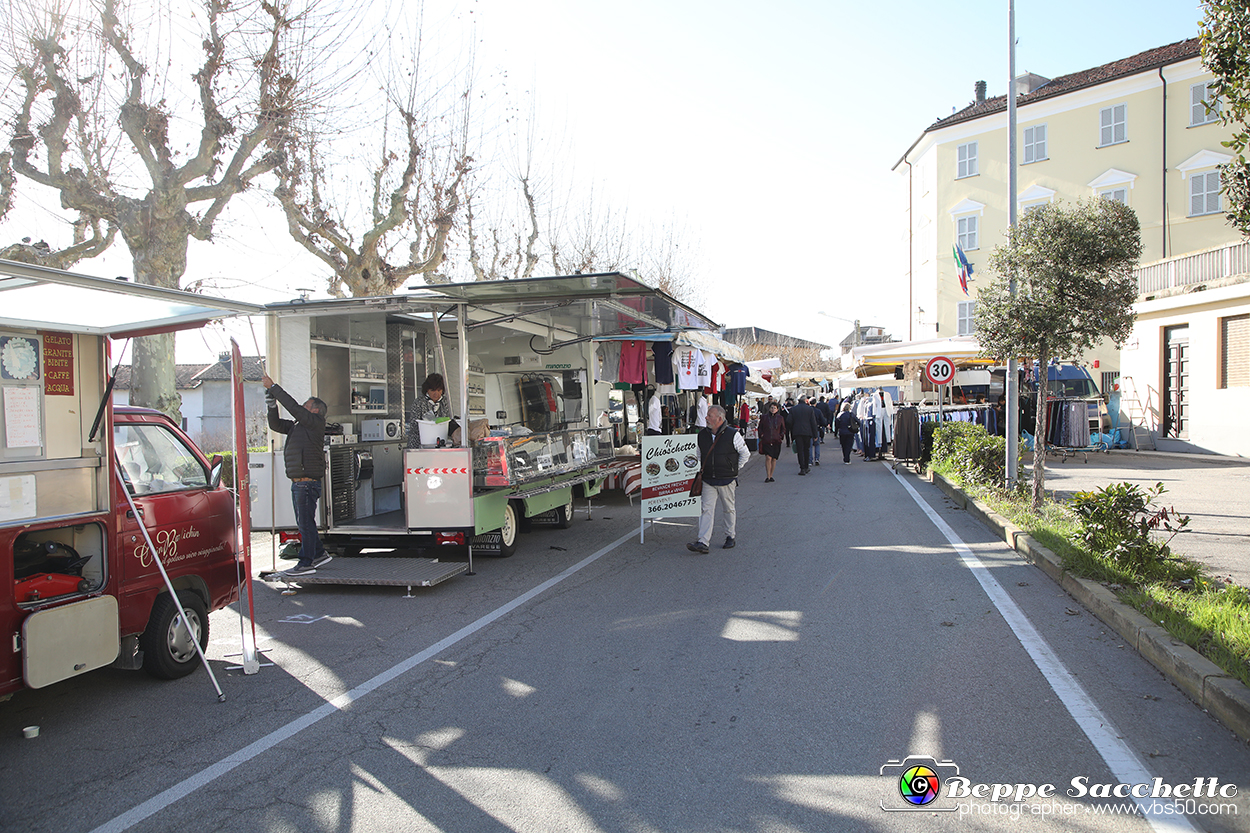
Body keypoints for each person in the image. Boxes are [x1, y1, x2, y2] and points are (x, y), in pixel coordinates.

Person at [262, 374, 330, 576]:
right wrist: (271, 404)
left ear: (315, 410)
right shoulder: (297, 426)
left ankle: (306, 562)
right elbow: (275, 425)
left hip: (306, 483)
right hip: (300, 483)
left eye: (306, 405)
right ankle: (319, 554)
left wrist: (274, 387)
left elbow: (294, 408)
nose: (301, 406)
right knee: (305, 522)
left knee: (305, 523)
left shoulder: (315, 422)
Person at [687, 405, 751, 553]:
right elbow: (698, 454)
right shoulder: (702, 435)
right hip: (708, 479)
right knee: (706, 510)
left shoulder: (732, 434)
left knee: (728, 509)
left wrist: (733, 469)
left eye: (710, 415)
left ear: (719, 418)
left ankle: (730, 536)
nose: (706, 418)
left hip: (726, 479)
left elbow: (745, 454)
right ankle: (703, 541)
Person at [407, 372, 457, 447]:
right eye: (433, 390)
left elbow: (448, 420)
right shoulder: (419, 402)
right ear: (427, 390)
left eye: (439, 390)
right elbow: (414, 425)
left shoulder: (445, 402)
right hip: (419, 444)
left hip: (440, 444)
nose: (436, 393)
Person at [756, 400, 786, 482]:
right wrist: (762, 435)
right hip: (767, 440)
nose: (773, 409)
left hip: (776, 440)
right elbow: (760, 427)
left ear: (777, 409)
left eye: (774, 408)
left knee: (774, 458)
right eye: (772, 408)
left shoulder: (780, 418)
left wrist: (781, 436)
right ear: (769, 409)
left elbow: (783, 429)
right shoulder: (764, 417)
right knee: (768, 457)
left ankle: (771, 475)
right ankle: (768, 476)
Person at [789, 395, 819, 475]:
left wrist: (791, 433)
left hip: (797, 432)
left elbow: (789, 422)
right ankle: (806, 466)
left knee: (800, 450)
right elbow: (813, 422)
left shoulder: (793, 409)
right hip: (807, 432)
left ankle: (802, 468)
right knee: (806, 449)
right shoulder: (809, 409)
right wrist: (815, 434)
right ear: (806, 400)